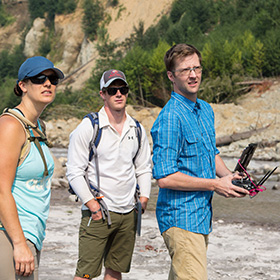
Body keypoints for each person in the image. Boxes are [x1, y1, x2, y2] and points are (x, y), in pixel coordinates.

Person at [151, 44, 249, 280]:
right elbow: (164, 177)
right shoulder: (170, 118)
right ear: (171, 76)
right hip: (180, 218)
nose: (193, 75)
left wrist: (230, 176)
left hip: (201, 216)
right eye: (185, 70)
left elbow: (211, 153)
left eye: (196, 68)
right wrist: (215, 185)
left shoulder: (205, 109)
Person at [66, 69, 152, 280]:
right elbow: (74, 171)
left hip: (128, 213)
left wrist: (144, 198)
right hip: (99, 212)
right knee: (85, 274)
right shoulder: (89, 127)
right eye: (112, 90)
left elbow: (144, 168)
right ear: (102, 94)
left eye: (122, 89)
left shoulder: (137, 128)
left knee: (115, 271)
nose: (118, 94)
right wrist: (92, 205)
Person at [0, 56, 64, 280]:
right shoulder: (10, 126)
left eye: (52, 79)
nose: (47, 83)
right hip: (9, 237)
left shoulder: (37, 126)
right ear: (23, 86)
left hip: (31, 236)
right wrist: (18, 243)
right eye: (39, 78)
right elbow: (1, 190)